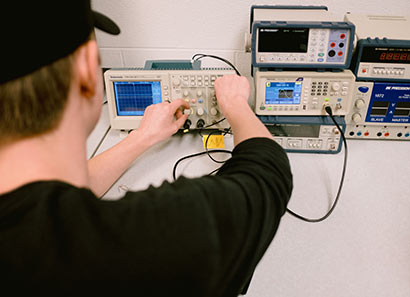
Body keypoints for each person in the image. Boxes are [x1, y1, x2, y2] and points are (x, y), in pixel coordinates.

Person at [0, 1, 292, 296]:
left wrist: (143, 137)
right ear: (88, 71)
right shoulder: (142, 243)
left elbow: (55, 194)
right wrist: (236, 104)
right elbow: (267, 175)